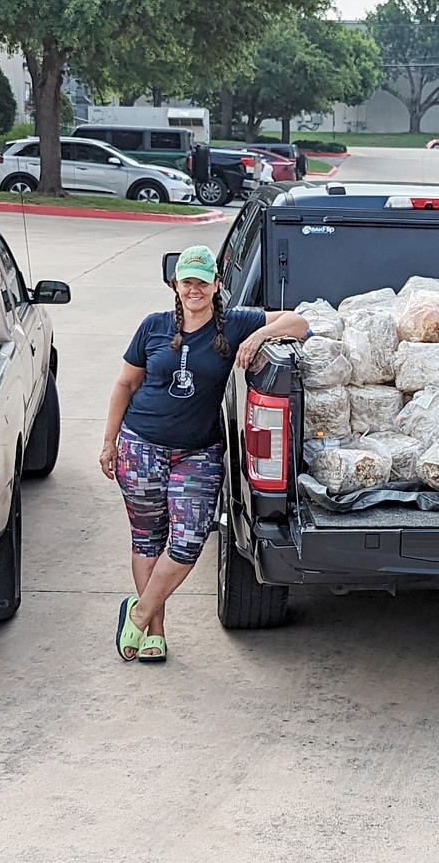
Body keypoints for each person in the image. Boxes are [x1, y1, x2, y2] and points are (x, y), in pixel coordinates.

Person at [101, 245, 307, 663]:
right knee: (148, 539)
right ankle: (155, 634)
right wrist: (109, 442)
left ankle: (137, 616)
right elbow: (125, 385)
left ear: (216, 284)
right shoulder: (153, 326)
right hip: (140, 444)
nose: (194, 289)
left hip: (198, 453)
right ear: (175, 286)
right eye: (186, 282)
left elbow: (299, 322)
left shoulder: (232, 324)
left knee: (188, 542)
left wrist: (258, 336)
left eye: (202, 281)